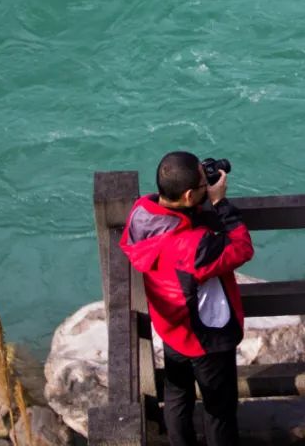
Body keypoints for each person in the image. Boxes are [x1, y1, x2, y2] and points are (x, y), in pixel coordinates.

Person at [120, 151, 254, 446]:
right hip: (205, 337)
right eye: (204, 185)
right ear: (190, 194)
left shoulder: (141, 212)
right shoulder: (196, 247)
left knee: (177, 394)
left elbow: (173, 226)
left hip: (171, 326)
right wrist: (219, 203)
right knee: (218, 409)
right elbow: (242, 248)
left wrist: (195, 205)